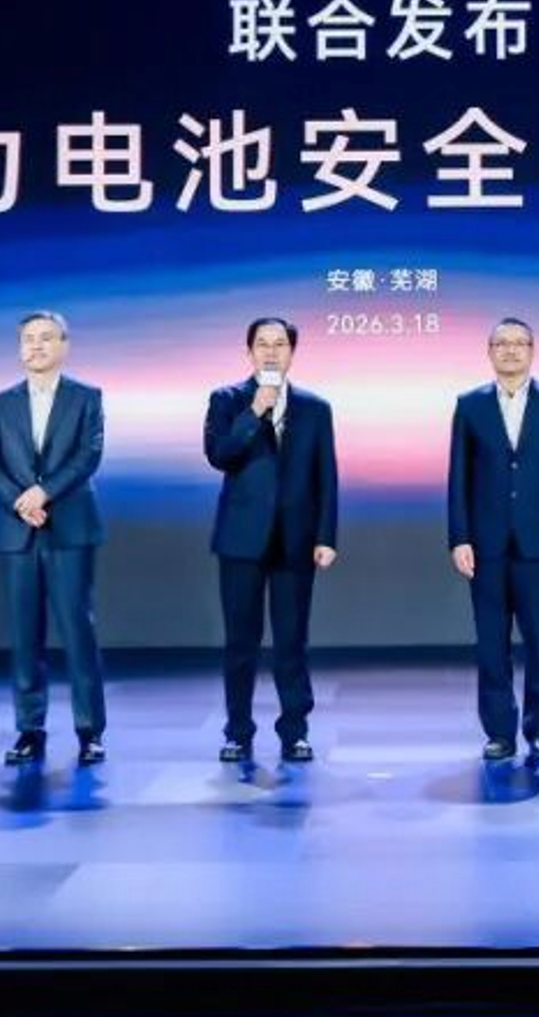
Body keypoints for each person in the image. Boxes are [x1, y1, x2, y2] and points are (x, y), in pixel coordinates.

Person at [203, 316, 340, 763]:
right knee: (240, 643)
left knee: (291, 642)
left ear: (292, 353)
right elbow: (219, 455)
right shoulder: (226, 400)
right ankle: (237, 732)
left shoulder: (315, 408)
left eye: (280, 344)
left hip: (295, 541)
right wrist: (254, 413)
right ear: (249, 352)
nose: (271, 352)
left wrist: (326, 536)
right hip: (241, 540)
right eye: (262, 344)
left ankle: (295, 731)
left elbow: (326, 477)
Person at [0, 310, 109, 767]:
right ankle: (29, 729)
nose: (35, 345)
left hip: (70, 527)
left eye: (46, 337)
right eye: (28, 339)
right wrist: (20, 501)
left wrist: (44, 492)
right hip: (18, 530)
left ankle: (90, 731)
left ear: (64, 346)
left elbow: (88, 455)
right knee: (24, 635)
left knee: (78, 631)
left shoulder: (86, 397)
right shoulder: (0, 402)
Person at [446, 317, 539, 761]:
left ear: (532, 350)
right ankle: (499, 732)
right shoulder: (470, 404)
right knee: (491, 645)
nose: (510, 350)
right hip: (485, 546)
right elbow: (458, 476)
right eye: (501, 343)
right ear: (489, 351)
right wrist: (459, 537)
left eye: (519, 343)